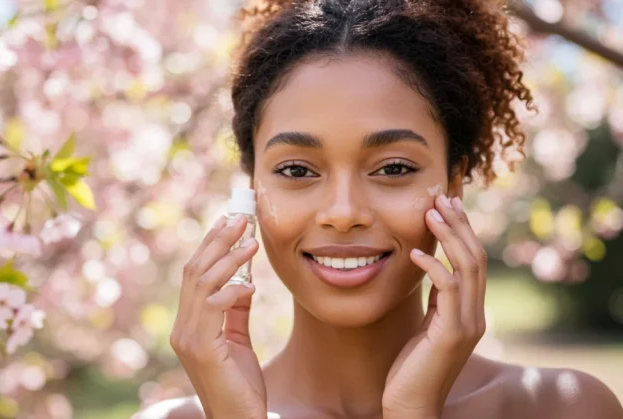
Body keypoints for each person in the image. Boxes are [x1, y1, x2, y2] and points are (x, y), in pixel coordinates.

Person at [134, 0, 623, 417]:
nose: (343, 212)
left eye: (392, 168)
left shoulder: (563, 408)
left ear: (453, 180)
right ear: (252, 186)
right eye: (298, 171)